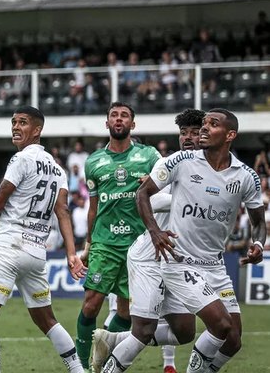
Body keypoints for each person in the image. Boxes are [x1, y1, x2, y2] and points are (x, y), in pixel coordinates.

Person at [97, 109, 267, 373]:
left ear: (230, 135)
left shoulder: (246, 176)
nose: (201, 131)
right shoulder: (179, 161)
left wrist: (257, 244)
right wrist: (155, 231)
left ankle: (115, 340)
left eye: (211, 124)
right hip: (175, 259)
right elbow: (143, 195)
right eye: (199, 126)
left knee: (230, 339)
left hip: (214, 265)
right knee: (210, 326)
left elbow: (258, 222)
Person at [91, 108, 205, 373]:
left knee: (185, 333)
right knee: (143, 329)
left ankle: (113, 339)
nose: (187, 137)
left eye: (194, 132)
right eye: (183, 133)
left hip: (176, 259)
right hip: (149, 256)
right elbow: (147, 198)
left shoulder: (211, 169)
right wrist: (183, 201)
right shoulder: (170, 163)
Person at [0, 106, 85, 373]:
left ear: (37, 130)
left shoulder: (21, 159)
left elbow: (1, 194)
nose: (15, 127)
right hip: (36, 253)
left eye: (22, 122)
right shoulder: (58, 170)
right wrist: (71, 254)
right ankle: (78, 369)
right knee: (46, 319)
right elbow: (63, 212)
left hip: (9, 245)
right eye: (13, 122)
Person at [75, 102, 160, 371]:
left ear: (133, 124)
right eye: (114, 115)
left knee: (125, 313)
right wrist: (87, 246)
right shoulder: (94, 162)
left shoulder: (149, 156)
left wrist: (155, 178)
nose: (119, 119)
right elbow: (93, 207)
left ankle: (104, 349)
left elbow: (169, 185)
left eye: (124, 116)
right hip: (104, 243)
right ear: (107, 122)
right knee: (91, 305)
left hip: (137, 246)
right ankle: (80, 365)